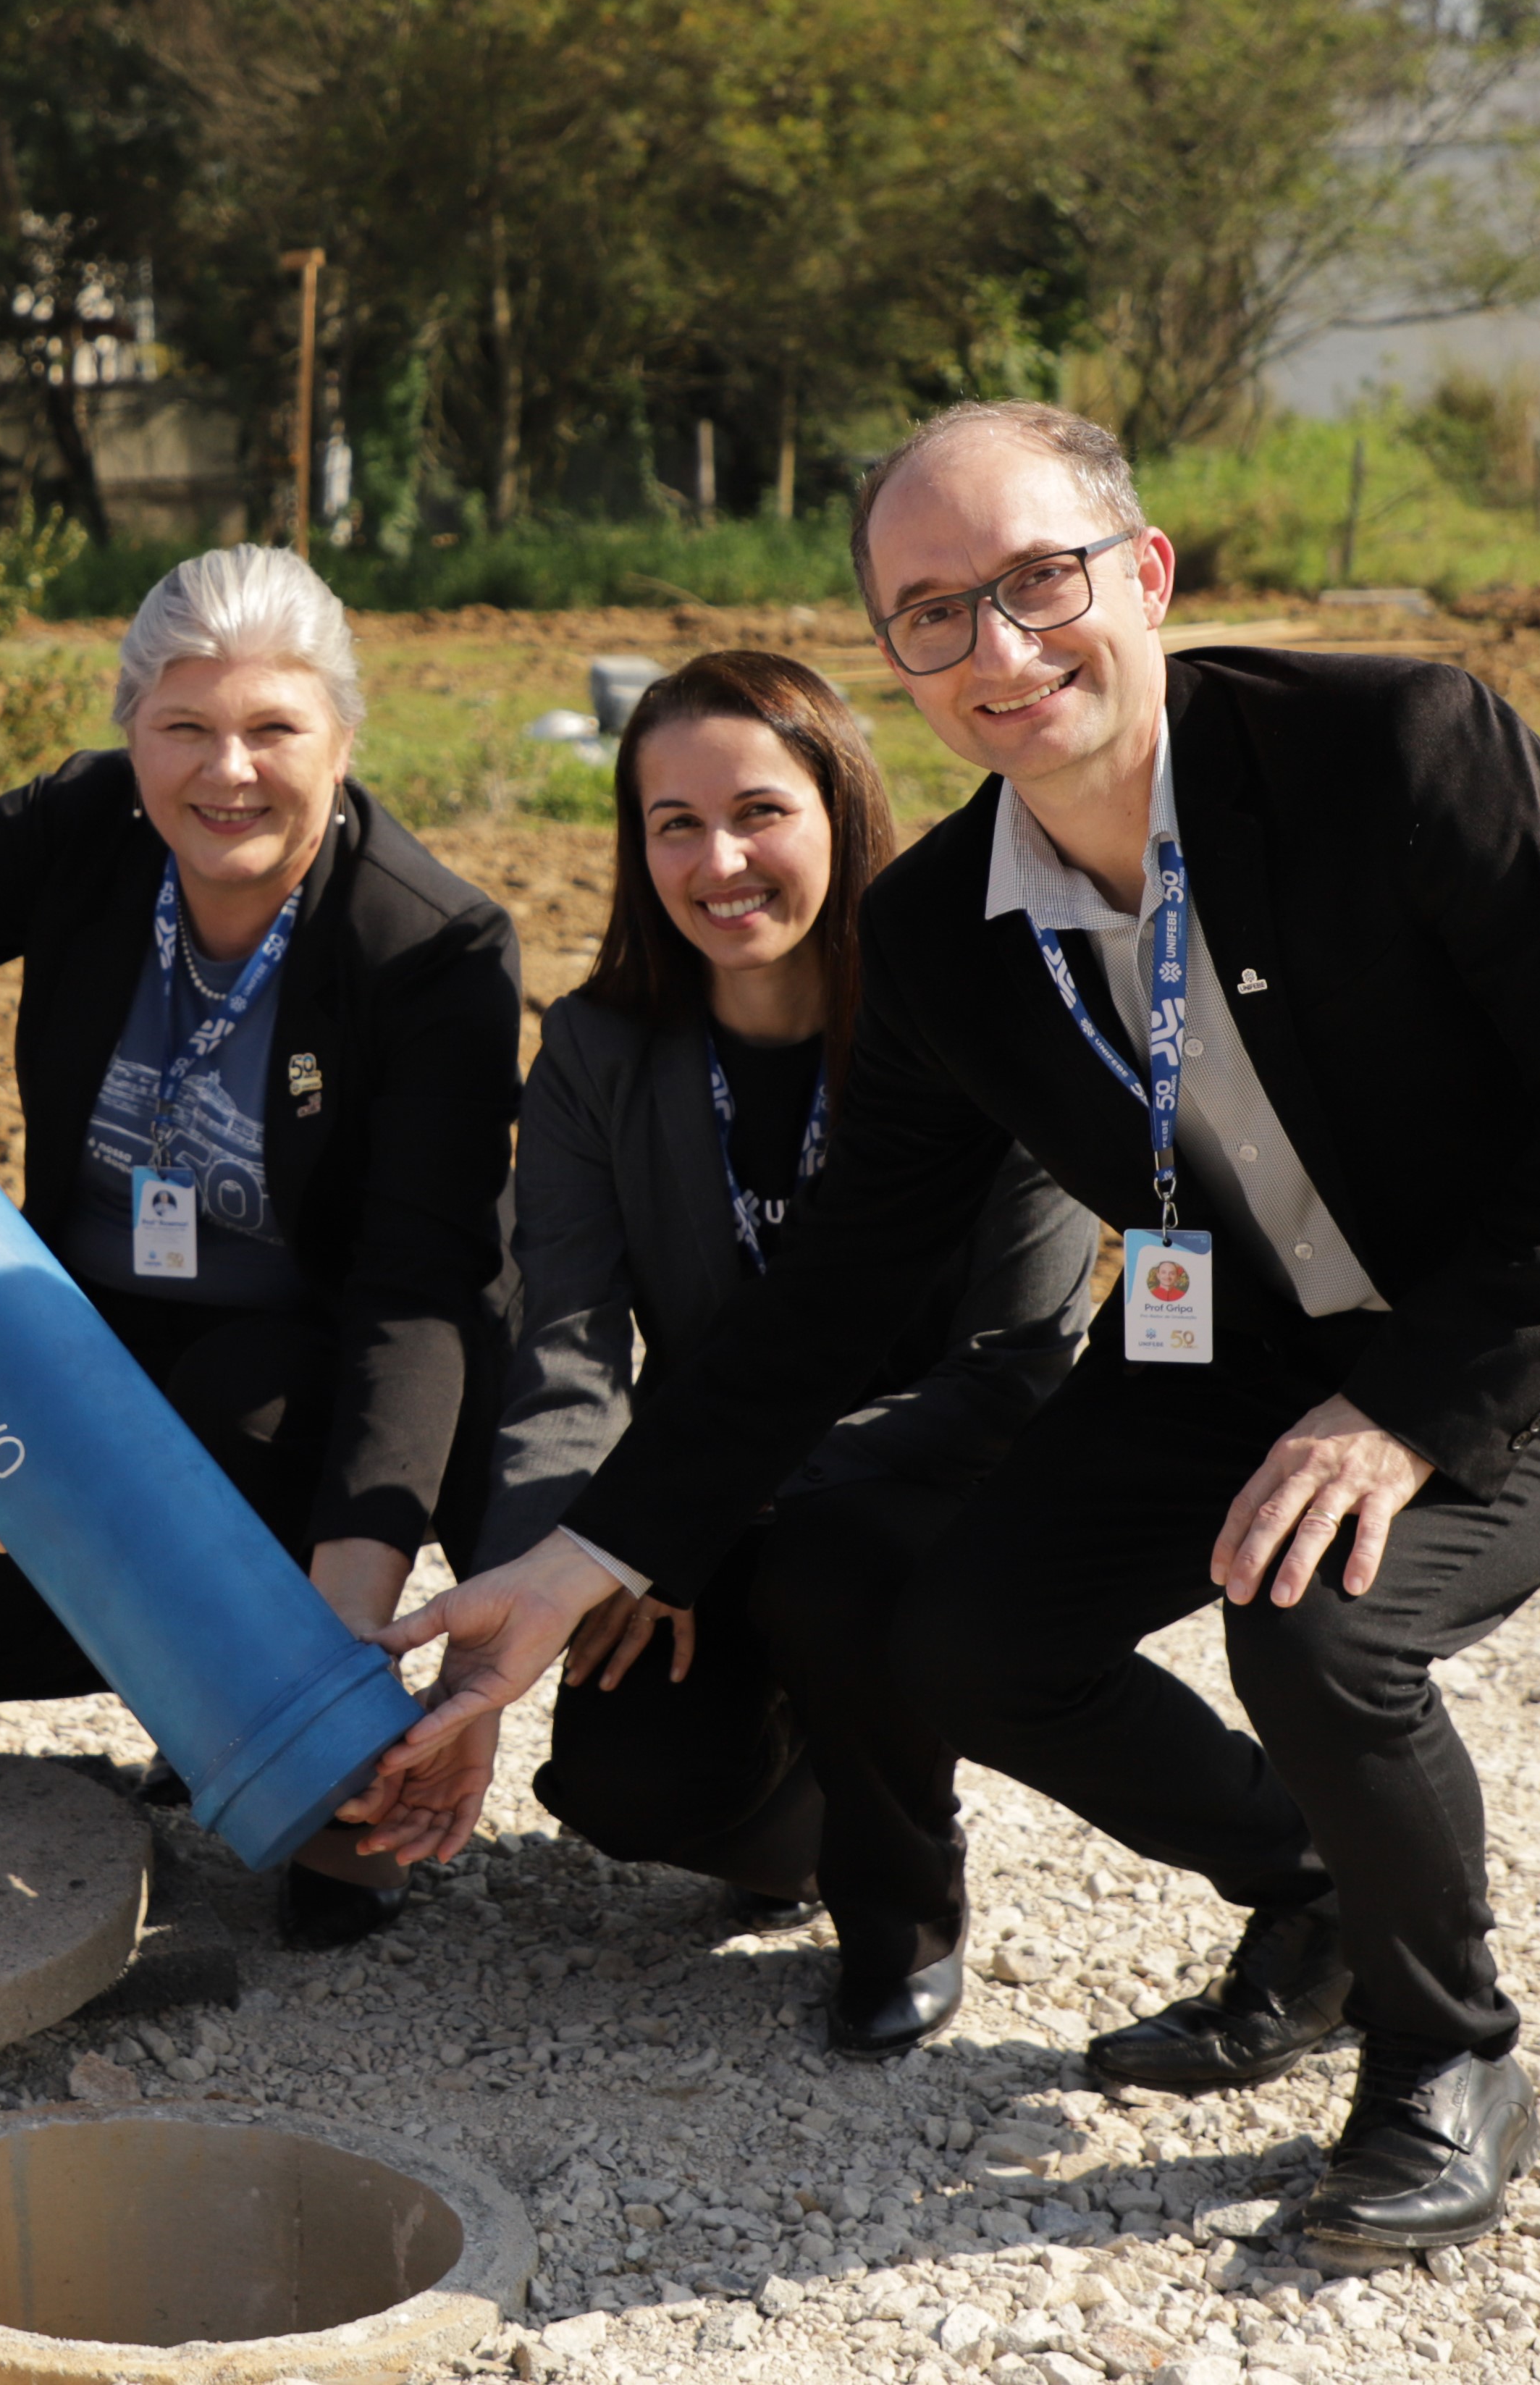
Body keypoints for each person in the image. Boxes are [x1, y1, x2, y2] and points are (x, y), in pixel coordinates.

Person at [369, 403, 1540, 2271]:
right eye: (929, 613)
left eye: (1035, 582)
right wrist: (581, 1554)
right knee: (970, 1633)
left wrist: (1393, 1418)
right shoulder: (937, 932)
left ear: (1141, 575)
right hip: (1247, 1333)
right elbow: (831, 1286)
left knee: (1312, 1612)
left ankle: (1443, 2048)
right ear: (889, 657)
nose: (995, 651)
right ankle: (1315, 1901)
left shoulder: (1394, 742)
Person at [0, 545, 520, 1945]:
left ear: (343, 739)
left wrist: (348, 1635)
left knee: (223, 1419)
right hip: (105, 1333)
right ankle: (205, 1708)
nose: (224, 770)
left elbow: (416, 1295)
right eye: (183, 725)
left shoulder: (432, 947)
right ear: (131, 733)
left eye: (272, 729)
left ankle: (312, 1751)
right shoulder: (83, 828)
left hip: (309, 1360)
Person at [468, 650, 1093, 2054]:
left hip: (924, 1480)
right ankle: (813, 1805)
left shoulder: (975, 1027)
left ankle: (903, 1901)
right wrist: (540, 1593)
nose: (718, 858)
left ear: (842, 813)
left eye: (759, 811)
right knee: (624, 1785)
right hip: (703, 1497)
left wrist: (677, 1516)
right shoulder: (593, 1054)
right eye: (671, 823)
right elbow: (562, 1350)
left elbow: (1014, 1364)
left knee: (835, 1567)